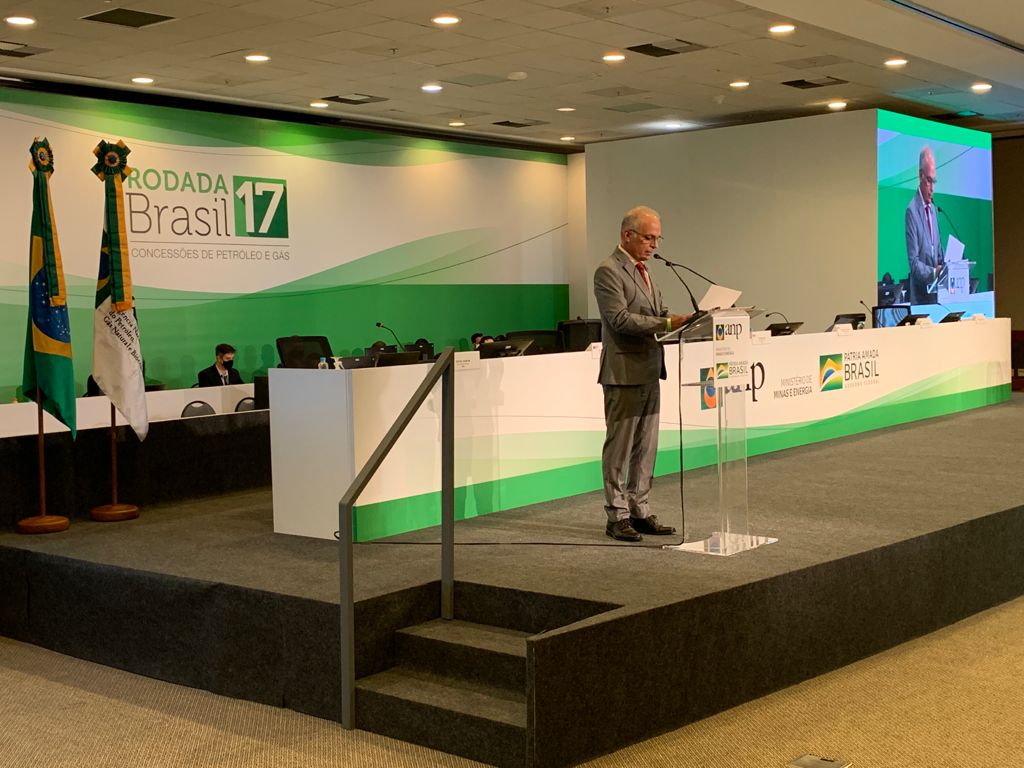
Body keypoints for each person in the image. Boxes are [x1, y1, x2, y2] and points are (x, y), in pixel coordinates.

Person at [594, 206, 691, 542]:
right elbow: (619, 319)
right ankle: (617, 515)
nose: (654, 245)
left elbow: (658, 313)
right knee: (619, 449)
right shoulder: (608, 271)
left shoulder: (647, 272)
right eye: (649, 238)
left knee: (646, 447)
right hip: (623, 372)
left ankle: (639, 510)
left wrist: (685, 320)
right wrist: (666, 322)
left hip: (650, 369)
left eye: (657, 238)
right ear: (627, 235)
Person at [905, 146, 943, 305]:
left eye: (934, 181)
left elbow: (938, 253)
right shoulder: (912, 211)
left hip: (938, 297)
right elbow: (914, 264)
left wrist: (947, 266)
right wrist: (934, 272)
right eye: (929, 180)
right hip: (921, 299)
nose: (932, 188)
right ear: (920, 176)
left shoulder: (934, 210)